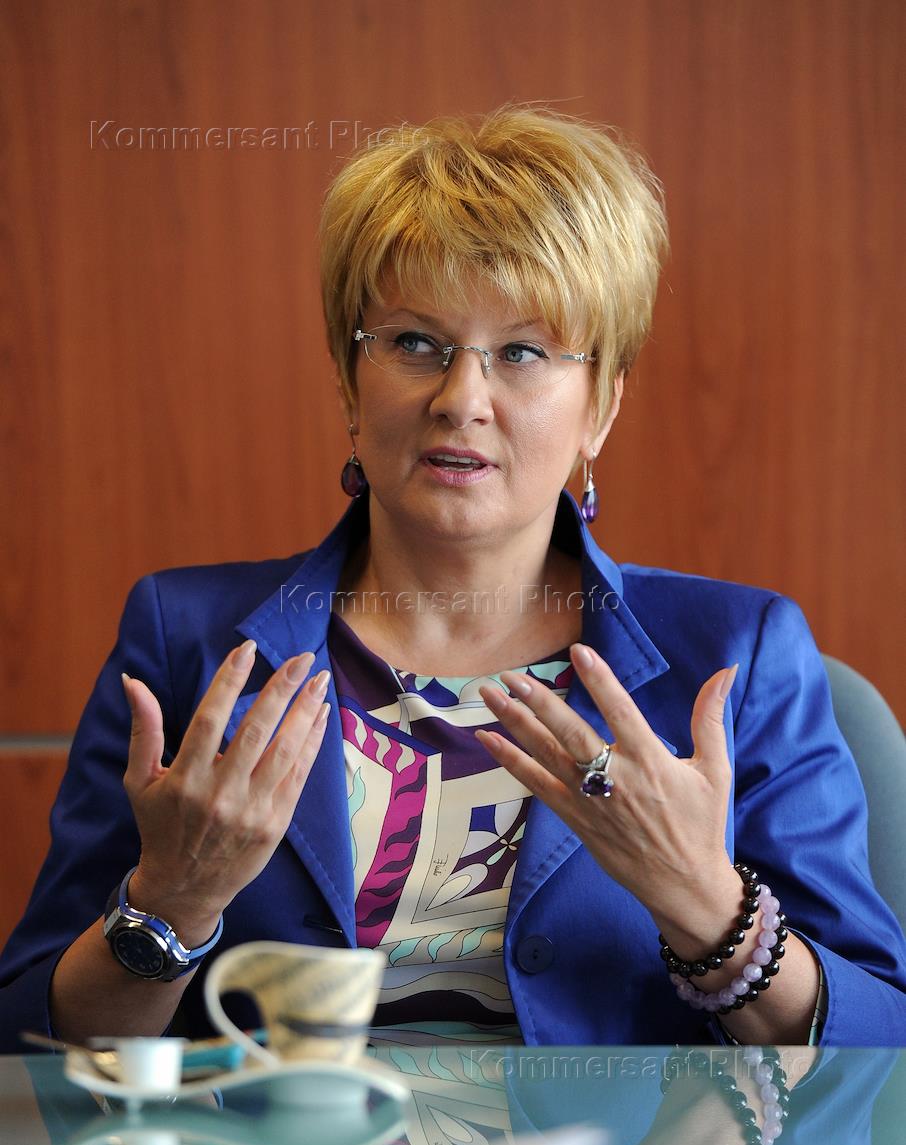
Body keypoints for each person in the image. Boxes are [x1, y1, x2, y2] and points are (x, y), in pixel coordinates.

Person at [1, 104, 904, 1053]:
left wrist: (707, 905)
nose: (461, 399)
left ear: (601, 406)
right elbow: (29, 1045)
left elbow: (881, 1043)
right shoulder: (184, 640)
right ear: (349, 384)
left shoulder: (736, 655)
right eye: (414, 344)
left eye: (522, 352)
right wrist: (168, 906)